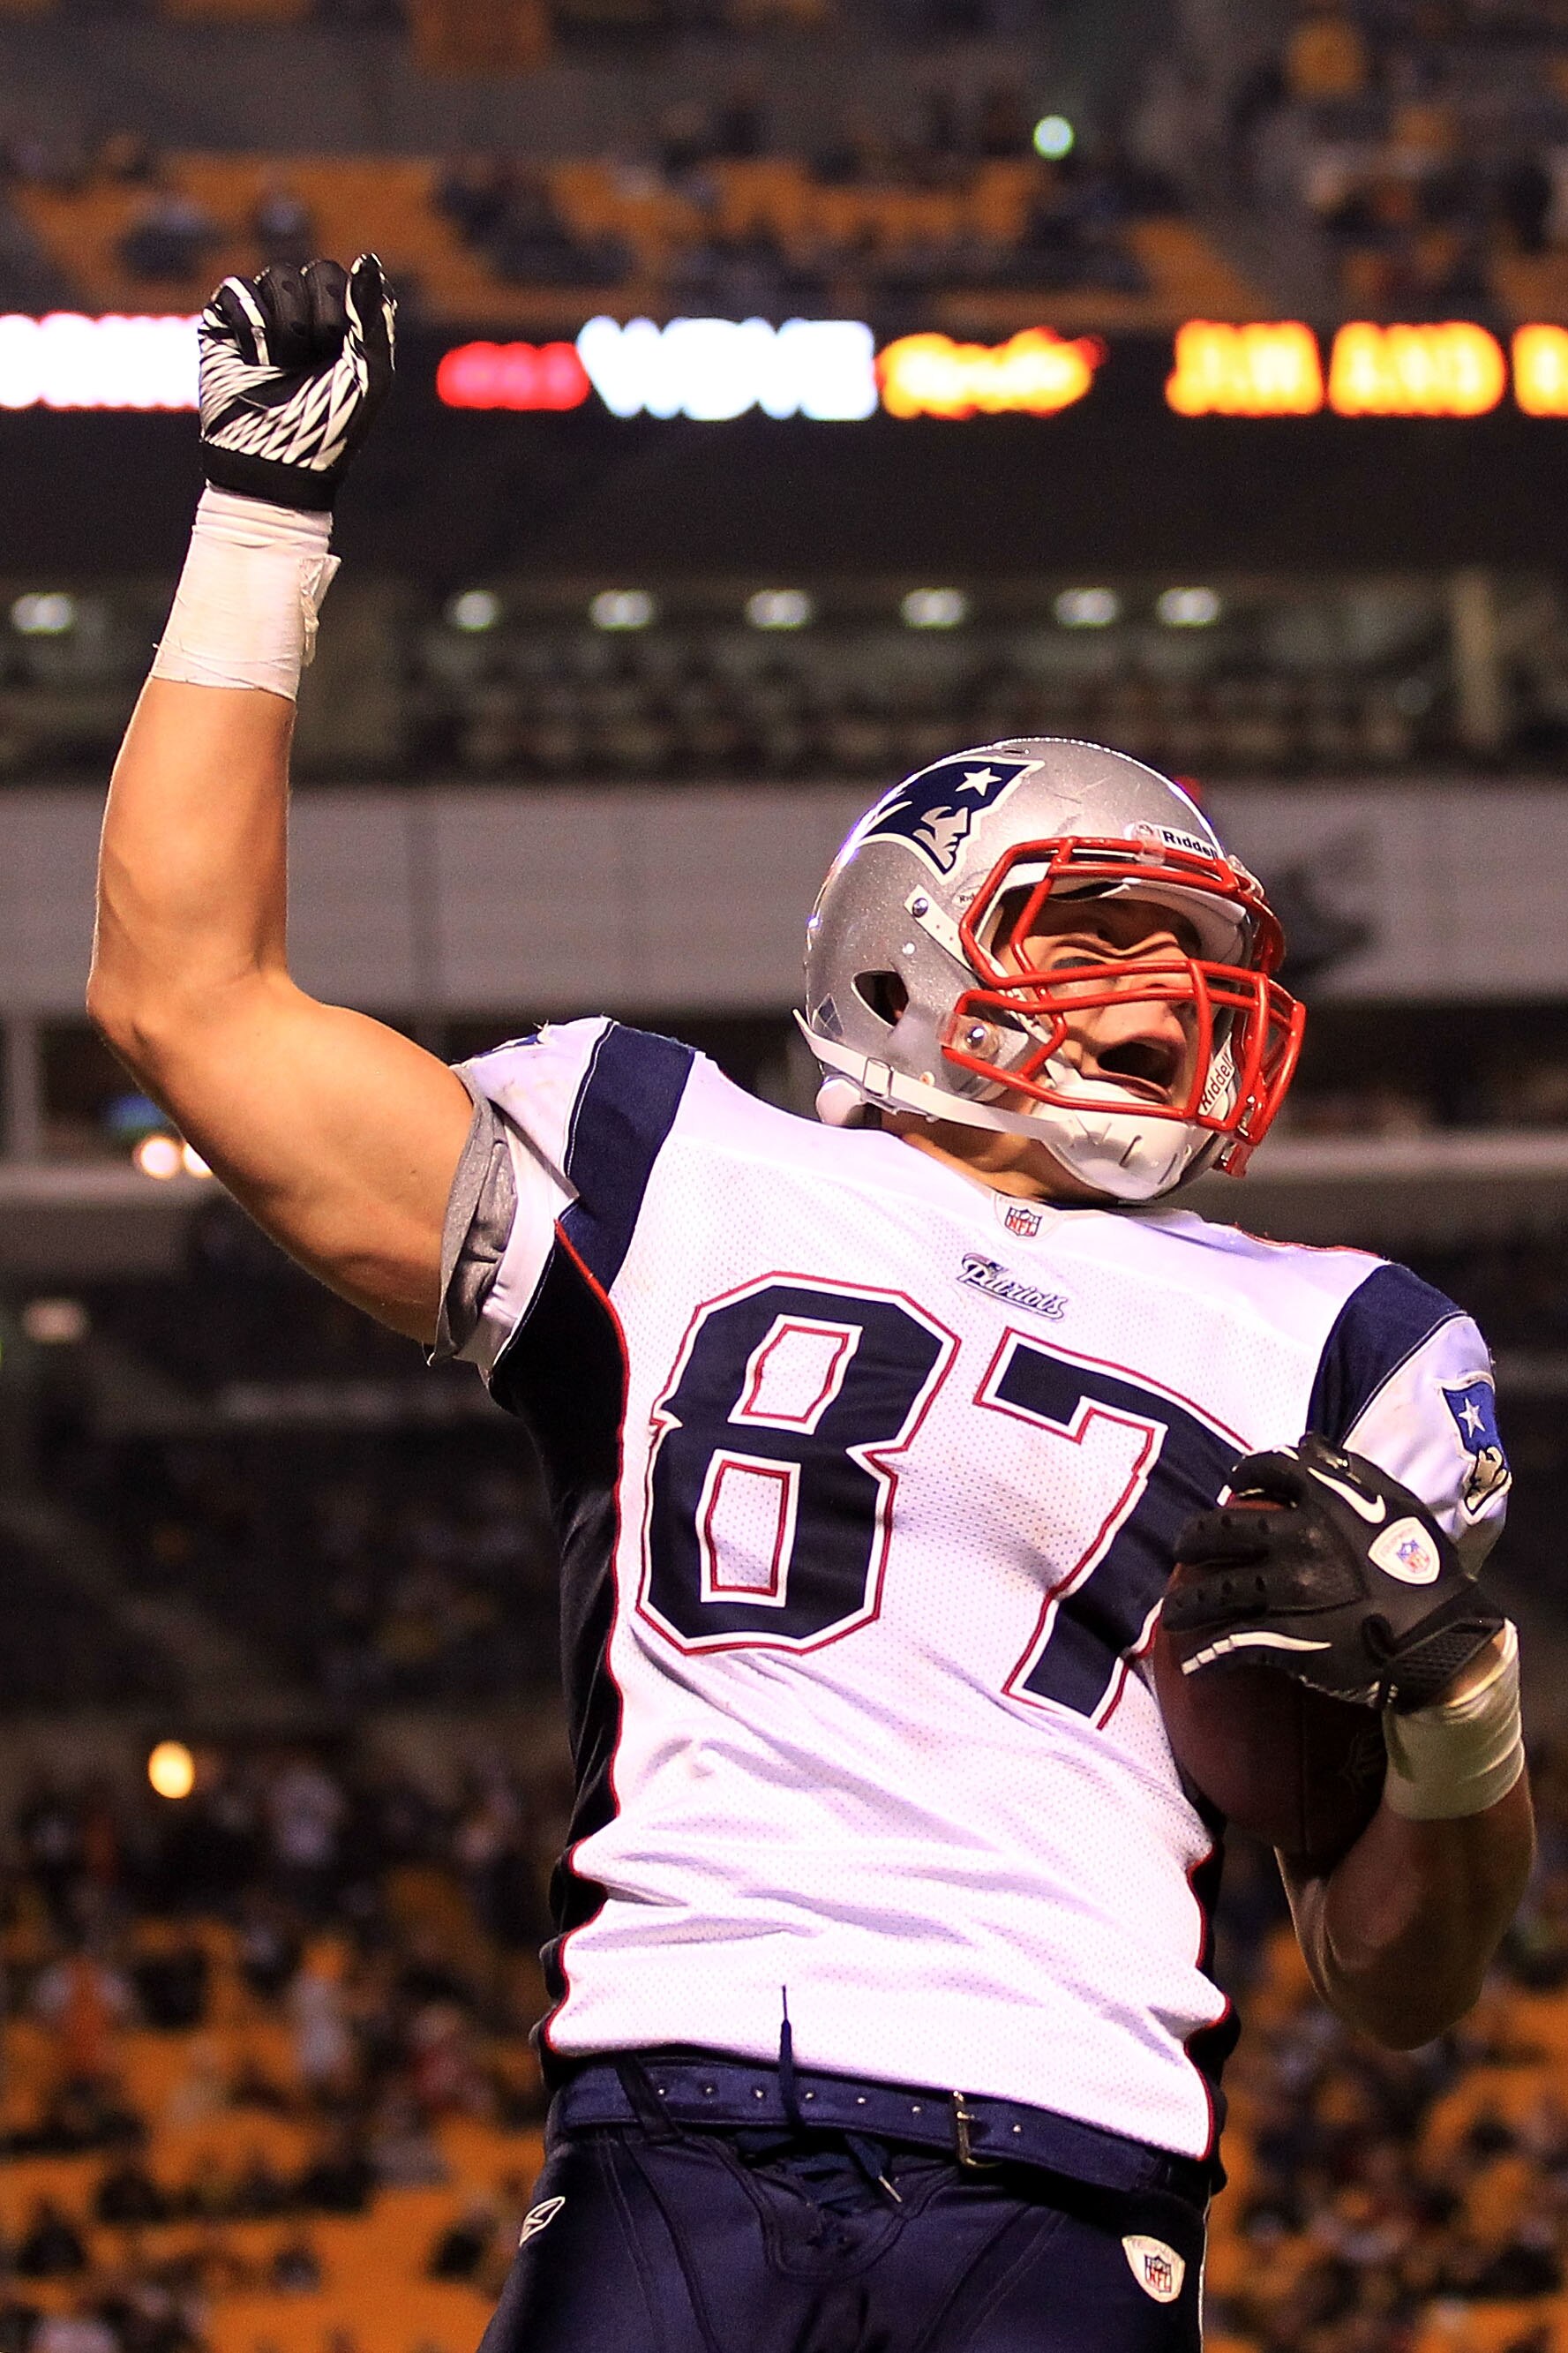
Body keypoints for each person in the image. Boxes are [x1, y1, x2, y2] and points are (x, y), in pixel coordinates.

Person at [89, 256, 1534, 2352]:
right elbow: (185, 996)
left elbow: (1401, 1987)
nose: (1167, 994)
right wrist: (258, 515)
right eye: (1103, 927)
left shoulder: (1339, 1338)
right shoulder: (671, 1161)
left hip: (1073, 2164)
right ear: (903, 956)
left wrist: (1460, 1705)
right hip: (675, 2109)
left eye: (1198, 953)